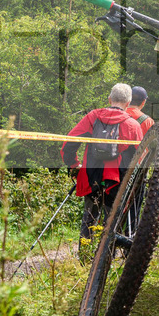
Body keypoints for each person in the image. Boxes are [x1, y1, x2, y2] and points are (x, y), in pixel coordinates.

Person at [61, 83, 145, 240]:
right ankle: (106, 259)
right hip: (117, 181)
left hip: (92, 175)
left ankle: (84, 258)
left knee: (89, 219)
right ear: (128, 103)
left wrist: (74, 165)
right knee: (112, 223)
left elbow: (68, 143)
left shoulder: (92, 117)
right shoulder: (133, 125)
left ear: (109, 99)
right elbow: (140, 159)